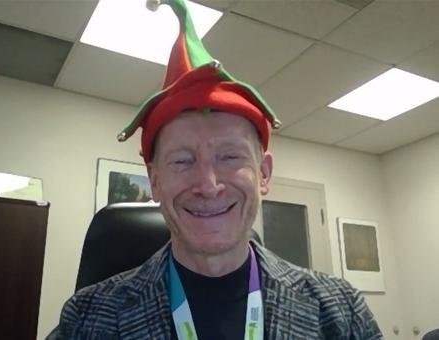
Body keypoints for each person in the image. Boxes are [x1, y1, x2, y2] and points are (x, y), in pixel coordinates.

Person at [49, 0, 383, 339]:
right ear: (155, 181)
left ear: (263, 174)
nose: (208, 186)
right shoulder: (87, 318)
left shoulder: (341, 311)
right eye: (182, 161)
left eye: (230, 157)